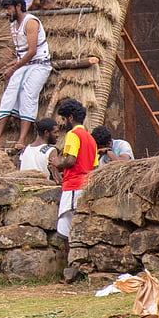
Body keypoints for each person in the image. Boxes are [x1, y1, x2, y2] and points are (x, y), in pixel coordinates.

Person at [0, 0, 53, 150]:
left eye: (8, 8)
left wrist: (12, 69)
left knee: (28, 95)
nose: (6, 12)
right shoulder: (13, 24)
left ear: (18, 6)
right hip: (23, 65)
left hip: (39, 64)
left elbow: (31, 51)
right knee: (9, 94)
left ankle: (22, 139)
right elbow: (12, 49)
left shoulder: (30, 22)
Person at [54, 99, 96, 239]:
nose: (63, 123)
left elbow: (71, 160)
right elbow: (93, 166)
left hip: (73, 186)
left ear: (70, 118)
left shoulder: (73, 134)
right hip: (87, 186)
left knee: (66, 231)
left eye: (64, 119)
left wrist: (58, 163)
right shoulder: (91, 138)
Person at [19, 118, 61, 182]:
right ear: (46, 133)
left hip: (23, 184)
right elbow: (57, 177)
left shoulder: (25, 149)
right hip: (42, 185)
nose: (58, 135)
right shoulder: (51, 151)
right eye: (55, 132)